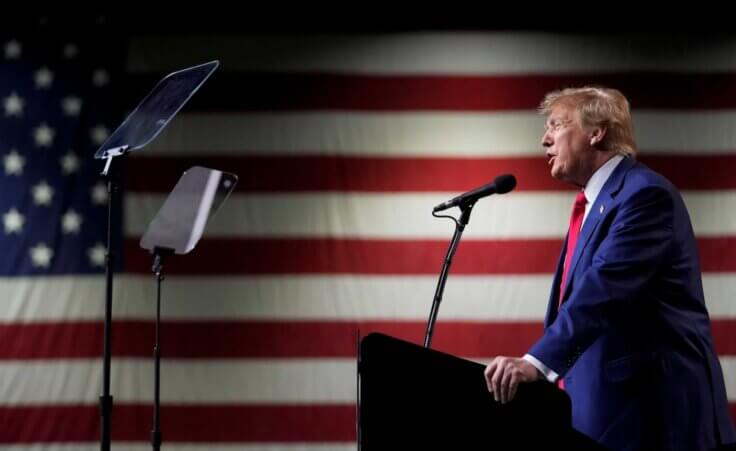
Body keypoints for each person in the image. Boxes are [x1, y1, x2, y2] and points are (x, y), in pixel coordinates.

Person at [483, 86, 735, 451]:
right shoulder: (592, 205)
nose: (544, 139)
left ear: (596, 131)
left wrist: (536, 362)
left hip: (656, 418)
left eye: (556, 125)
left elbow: (603, 288)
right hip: (605, 417)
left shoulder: (645, 195)